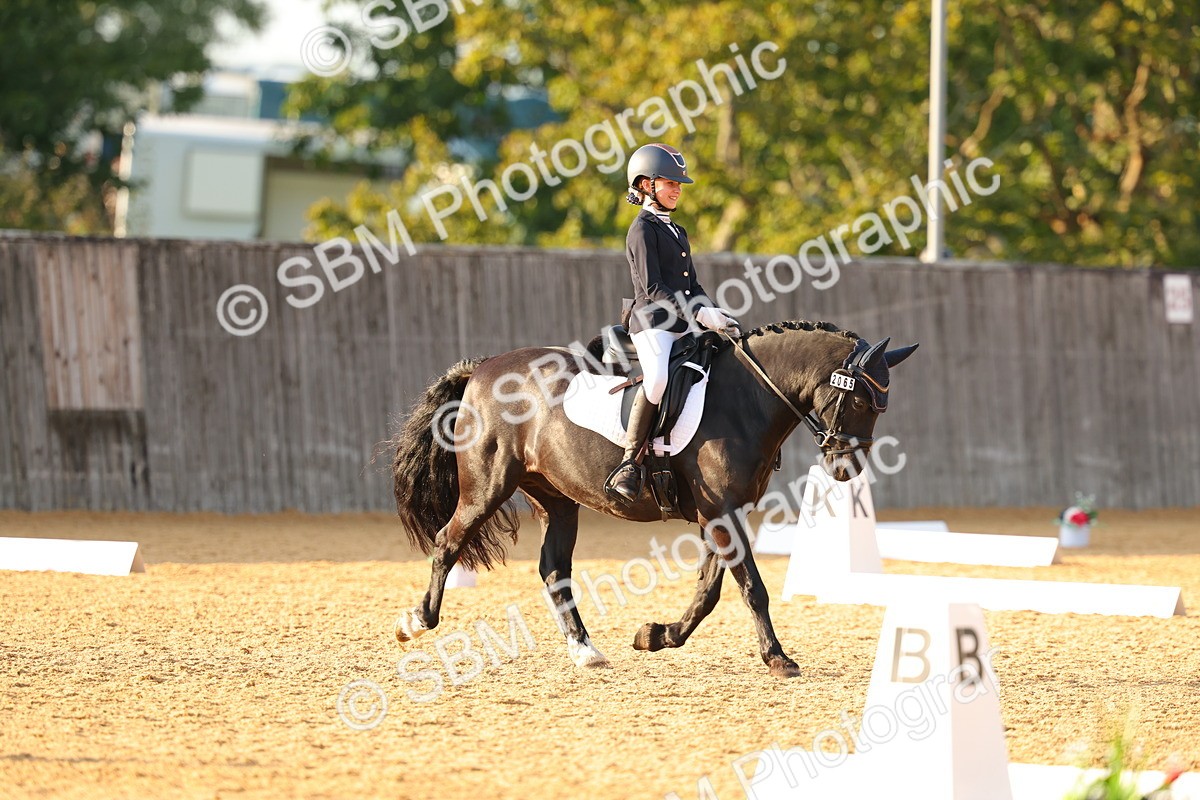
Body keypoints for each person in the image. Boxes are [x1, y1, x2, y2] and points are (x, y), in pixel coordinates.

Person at [606, 143, 740, 504]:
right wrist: (697, 314)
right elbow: (653, 287)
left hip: (683, 320)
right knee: (658, 379)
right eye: (670, 183)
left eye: (679, 184)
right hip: (651, 322)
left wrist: (716, 314)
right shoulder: (642, 229)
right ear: (646, 185)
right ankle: (629, 462)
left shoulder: (677, 231)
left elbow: (692, 286)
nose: (678, 189)